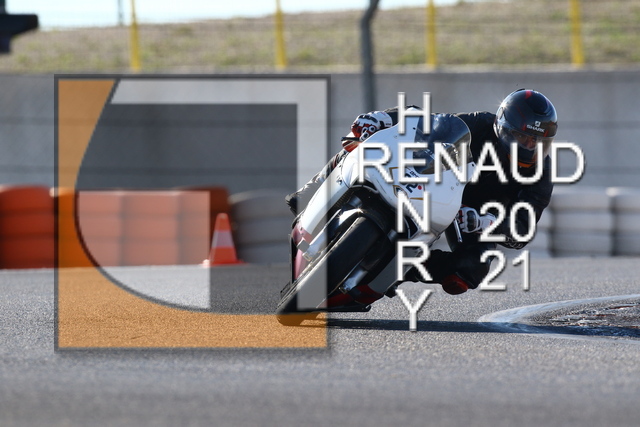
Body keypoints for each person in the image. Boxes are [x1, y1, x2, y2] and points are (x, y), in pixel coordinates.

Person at [285, 88, 558, 296]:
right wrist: (383, 119)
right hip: (441, 187)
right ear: (502, 127)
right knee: (361, 142)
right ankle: (311, 191)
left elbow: (524, 228)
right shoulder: (481, 124)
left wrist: (486, 222)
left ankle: (395, 270)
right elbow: (428, 121)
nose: (530, 146)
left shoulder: (541, 173)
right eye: (523, 137)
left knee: (470, 271)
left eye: (537, 141)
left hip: (472, 217)